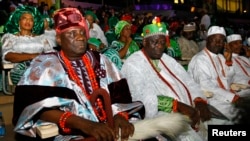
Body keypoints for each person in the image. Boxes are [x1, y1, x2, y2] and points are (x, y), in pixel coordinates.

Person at [12, 8, 191, 141]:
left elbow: (120, 94)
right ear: (58, 39)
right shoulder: (44, 65)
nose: (81, 37)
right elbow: (32, 106)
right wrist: (84, 124)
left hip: (110, 127)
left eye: (82, 32)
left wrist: (120, 116)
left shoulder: (101, 60)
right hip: (70, 133)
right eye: (72, 33)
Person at [121, 16, 211, 141]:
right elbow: (141, 98)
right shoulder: (133, 63)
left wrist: (199, 100)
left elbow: (189, 81)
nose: (159, 46)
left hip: (190, 111)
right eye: (155, 42)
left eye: (162, 43)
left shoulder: (167, 59)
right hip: (164, 119)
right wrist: (176, 105)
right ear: (144, 42)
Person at [187, 26, 245, 125]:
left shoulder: (220, 57)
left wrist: (229, 61)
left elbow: (229, 80)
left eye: (221, 41)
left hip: (224, 97)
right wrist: (232, 97)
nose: (218, 43)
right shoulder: (200, 59)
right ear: (207, 40)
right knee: (242, 116)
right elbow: (205, 85)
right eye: (215, 40)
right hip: (209, 100)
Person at [1, 5, 56, 85]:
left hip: (41, 68)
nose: (28, 22)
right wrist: (33, 56)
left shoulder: (42, 38)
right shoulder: (10, 38)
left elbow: (51, 54)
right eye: (24, 18)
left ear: (34, 23)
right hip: (20, 71)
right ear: (18, 21)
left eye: (31, 20)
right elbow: (7, 55)